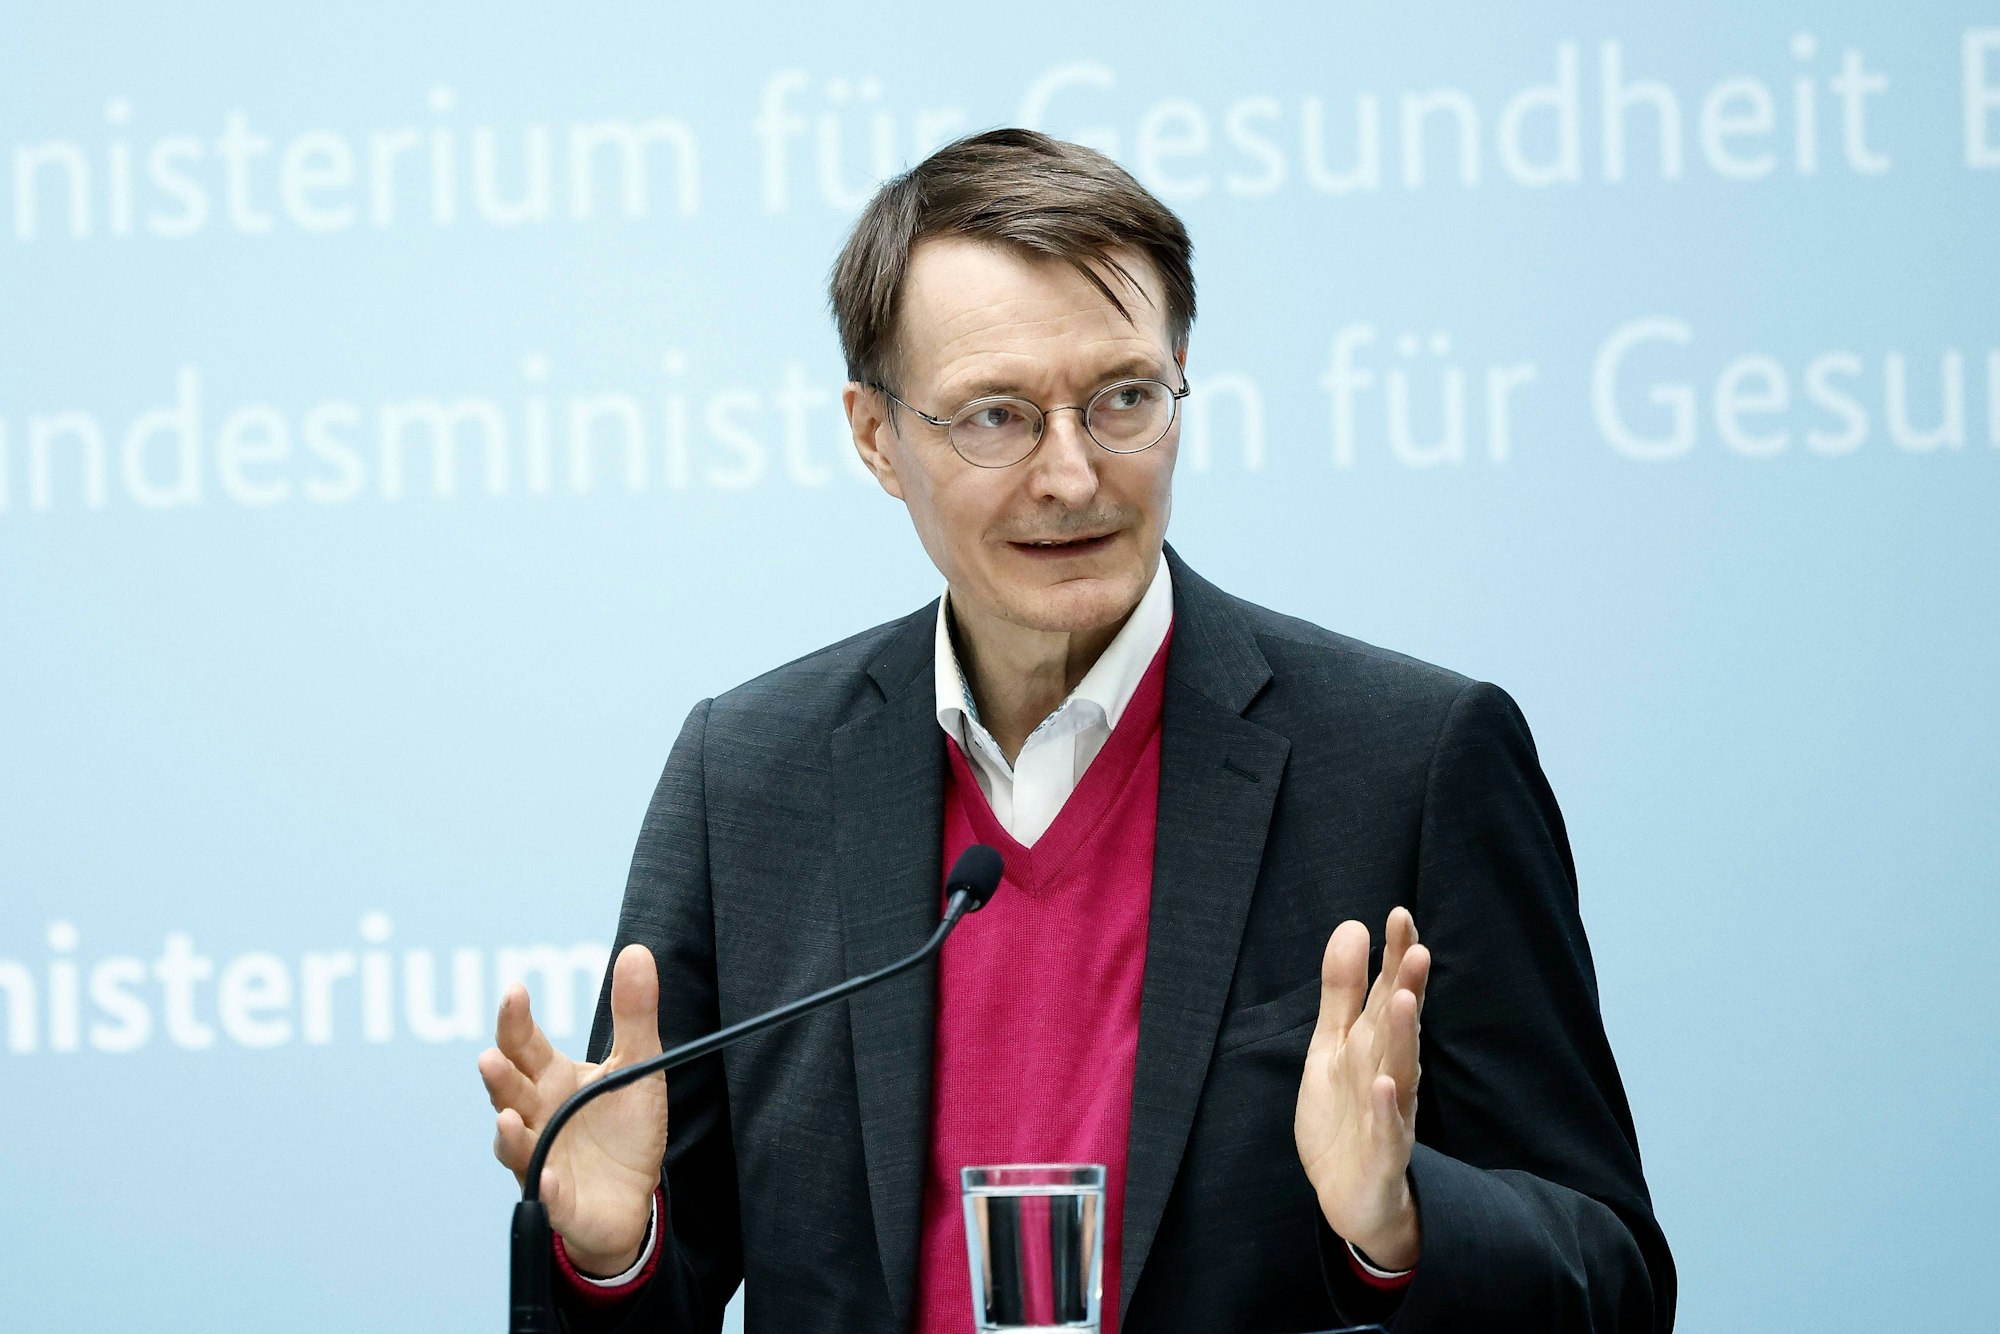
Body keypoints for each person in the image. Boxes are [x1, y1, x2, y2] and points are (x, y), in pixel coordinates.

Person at [477, 128, 1675, 1333]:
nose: (1072, 474)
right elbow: (645, 1285)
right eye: (995, 416)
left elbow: (1612, 1277)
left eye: (1122, 400)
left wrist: (1400, 1222)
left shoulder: (1409, 761)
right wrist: (614, 1250)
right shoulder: (748, 779)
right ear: (874, 434)